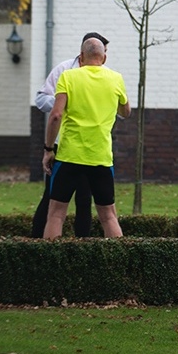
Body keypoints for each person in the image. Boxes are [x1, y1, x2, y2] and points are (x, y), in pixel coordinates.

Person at [42, 36, 131, 238]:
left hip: (69, 156)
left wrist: (48, 149)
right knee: (109, 216)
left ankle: (49, 258)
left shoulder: (68, 77)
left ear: (81, 57)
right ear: (104, 58)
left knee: (56, 214)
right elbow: (125, 112)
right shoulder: (116, 78)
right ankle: (121, 258)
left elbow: (56, 115)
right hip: (100, 157)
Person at [31, 31, 106, 238]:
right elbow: (41, 100)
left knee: (84, 199)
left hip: (88, 146)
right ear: (83, 53)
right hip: (63, 144)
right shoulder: (64, 70)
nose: (101, 57)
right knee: (51, 196)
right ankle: (36, 239)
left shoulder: (105, 75)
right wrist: (63, 103)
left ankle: (82, 243)